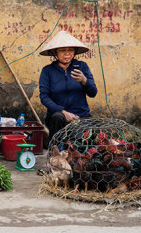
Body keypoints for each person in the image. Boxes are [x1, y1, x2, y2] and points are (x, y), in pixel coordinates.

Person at [38, 31, 97, 174]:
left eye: (70, 50)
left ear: (75, 51)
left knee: (85, 139)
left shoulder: (82, 67)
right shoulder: (48, 71)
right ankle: (51, 160)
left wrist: (85, 81)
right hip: (58, 116)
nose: (67, 54)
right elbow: (44, 97)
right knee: (58, 117)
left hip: (81, 115)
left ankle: (79, 163)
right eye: (62, 50)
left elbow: (93, 92)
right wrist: (64, 112)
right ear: (55, 53)